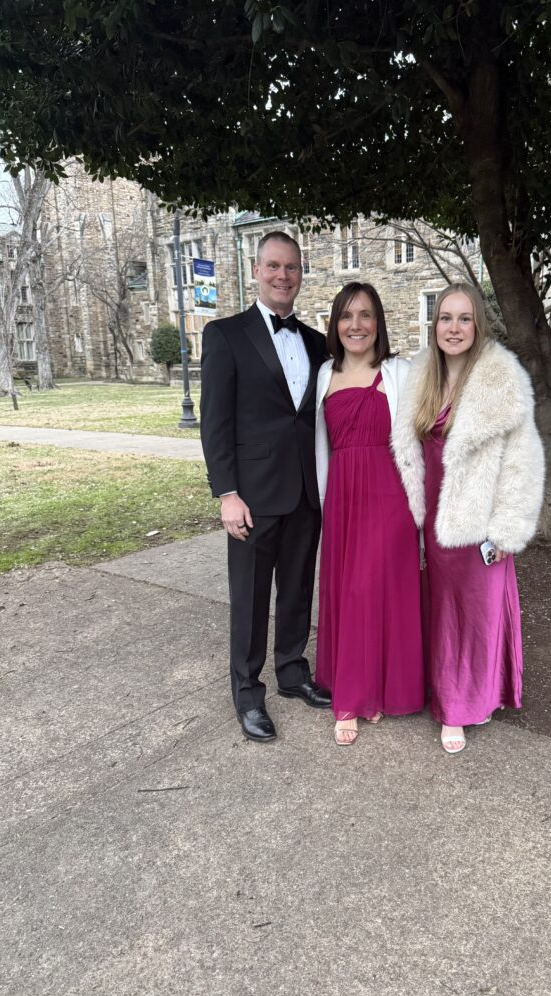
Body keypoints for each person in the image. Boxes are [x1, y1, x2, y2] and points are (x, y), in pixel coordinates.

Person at [392, 283, 544, 754]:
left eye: (464, 319)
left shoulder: (502, 379)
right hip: (433, 521)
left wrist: (505, 531)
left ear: (478, 325)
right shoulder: (421, 378)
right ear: (434, 325)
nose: (453, 328)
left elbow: (523, 462)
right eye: (445, 318)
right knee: (440, 613)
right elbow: (408, 453)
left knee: (474, 616)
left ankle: (460, 707)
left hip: (478, 525)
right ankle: (441, 689)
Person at [200, 231, 331, 743]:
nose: (283, 276)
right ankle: (247, 694)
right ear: (256, 270)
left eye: (291, 267)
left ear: (301, 274)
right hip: (251, 497)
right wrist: (227, 494)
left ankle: (293, 673)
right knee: (251, 599)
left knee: (297, 589)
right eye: (273, 266)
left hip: (305, 493)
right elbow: (215, 422)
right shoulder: (225, 335)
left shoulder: (318, 343)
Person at [315, 282, 424, 745]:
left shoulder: (401, 372)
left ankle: (368, 691)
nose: (355, 325)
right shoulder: (323, 375)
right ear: (335, 324)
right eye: (346, 315)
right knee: (352, 590)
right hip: (342, 497)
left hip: (389, 495)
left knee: (377, 589)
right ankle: (358, 691)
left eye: (365, 315)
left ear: (378, 322)